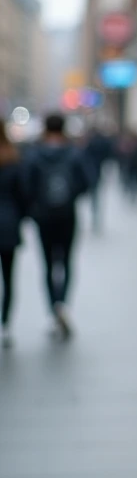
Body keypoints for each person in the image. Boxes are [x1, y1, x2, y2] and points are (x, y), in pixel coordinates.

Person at [27, 113, 90, 339]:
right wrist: (70, 196)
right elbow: (86, 182)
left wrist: (33, 208)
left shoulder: (34, 155)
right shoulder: (73, 153)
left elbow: (27, 185)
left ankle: (53, 308)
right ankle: (63, 303)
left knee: (47, 264)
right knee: (66, 261)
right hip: (67, 215)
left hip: (43, 217)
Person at [0, 118, 29, 348]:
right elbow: (23, 194)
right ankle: (6, 323)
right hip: (8, 224)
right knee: (8, 277)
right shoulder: (12, 157)